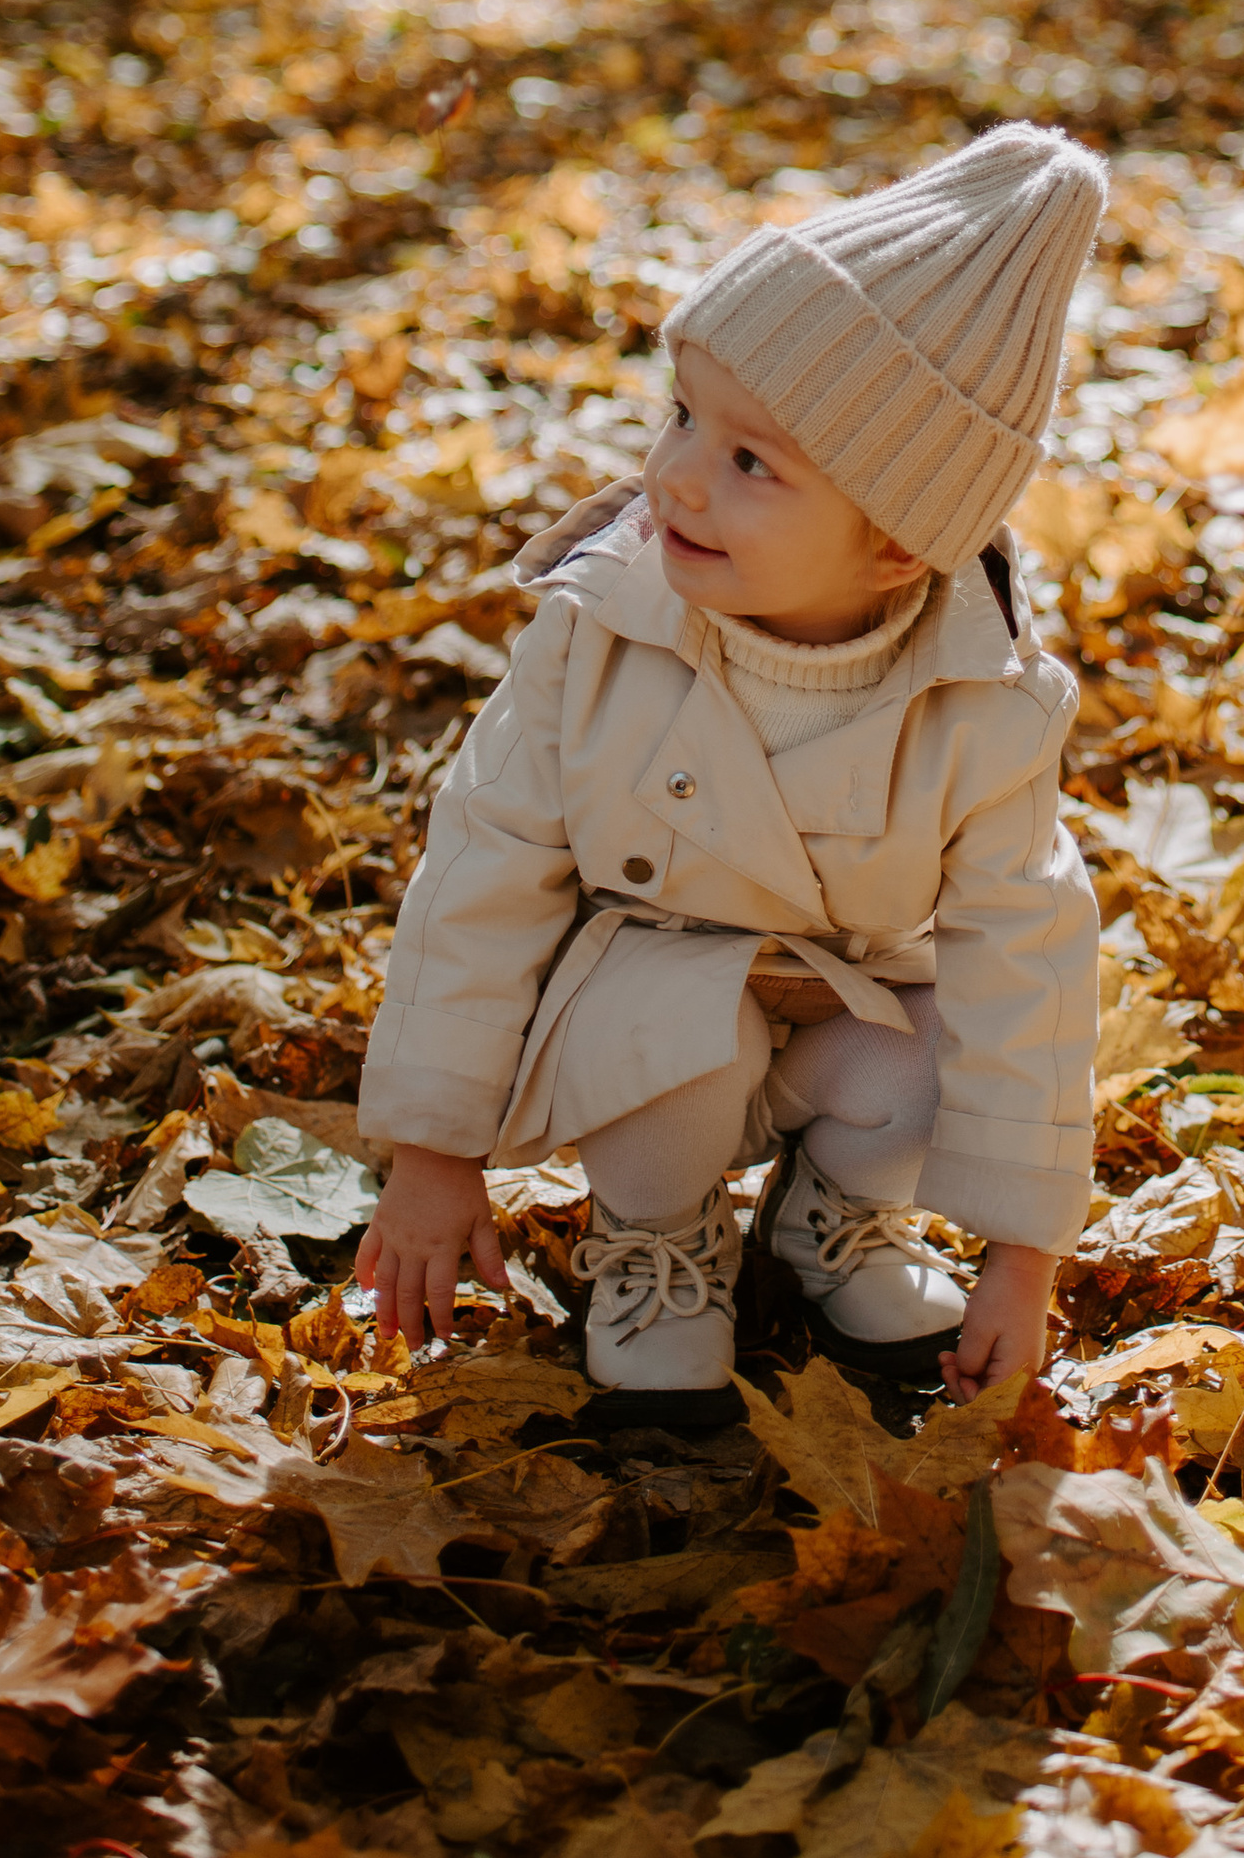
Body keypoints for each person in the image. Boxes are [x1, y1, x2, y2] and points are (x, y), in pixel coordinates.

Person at [352, 124, 1106, 1424]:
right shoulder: (602, 628)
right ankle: (657, 1236)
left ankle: (837, 1221)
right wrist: (434, 1151)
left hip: (840, 1009)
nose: (681, 476)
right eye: (685, 414)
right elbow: (482, 868)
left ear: (897, 548)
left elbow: (1027, 956)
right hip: (641, 1021)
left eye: (753, 461)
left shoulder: (985, 699)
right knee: (673, 1028)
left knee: (935, 1045)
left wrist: (1023, 1254)